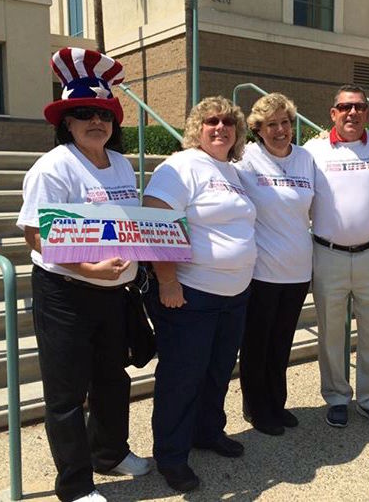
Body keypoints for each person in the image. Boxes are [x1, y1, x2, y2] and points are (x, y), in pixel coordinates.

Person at [17, 48, 150, 502]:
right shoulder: (52, 167)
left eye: (104, 114)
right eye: (84, 114)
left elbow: (128, 220)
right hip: (65, 292)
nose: (97, 121)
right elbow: (35, 235)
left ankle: (109, 453)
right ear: (67, 123)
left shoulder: (121, 163)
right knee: (67, 393)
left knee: (113, 378)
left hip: (114, 293)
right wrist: (87, 266)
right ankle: (74, 486)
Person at [142, 96, 256, 493]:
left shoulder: (233, 171)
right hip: (191, 294)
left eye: (228, 121)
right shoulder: (181, 166)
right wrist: (167, 280)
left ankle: (207, 432)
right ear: (197, 127)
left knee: (218, 371)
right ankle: (171, 457)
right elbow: (155, 218)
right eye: (211, 121)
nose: (220, 127)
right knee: (181, 377)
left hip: (234, 294)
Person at [304, 84, 369, 431]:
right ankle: (337, 396)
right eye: (345, 107)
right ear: (333, 113)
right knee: (329, 332)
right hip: (328, 255)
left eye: (359, 107)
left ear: (367, 113)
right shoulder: (313, 150)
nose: (352, 113)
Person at [235, 93, 314, 436]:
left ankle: (277, 403)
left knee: (282, 342)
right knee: (257, 343)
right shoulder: (246, 160)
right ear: (257, 129)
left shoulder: (306, 158)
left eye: (285, 122)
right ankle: (257, 407)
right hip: (262, 270)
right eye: (271, 124)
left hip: (298, 270)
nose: (280, 130)